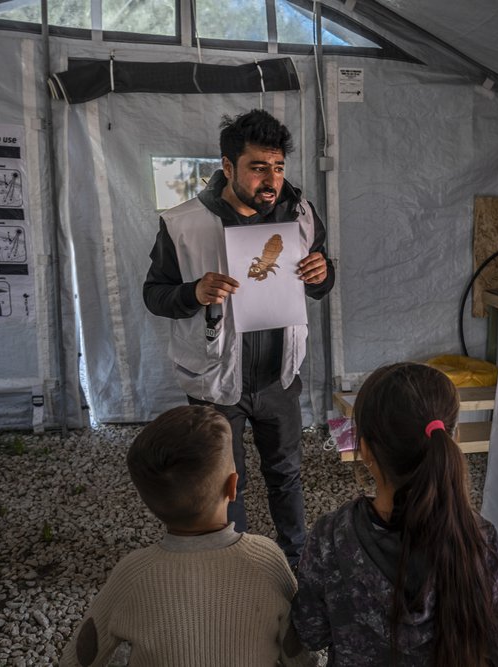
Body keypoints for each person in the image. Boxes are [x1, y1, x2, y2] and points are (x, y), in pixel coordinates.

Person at [143, 109, 334, 567]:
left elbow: (321, 283)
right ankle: (237, 566)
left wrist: (321, 274)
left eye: (278, 167)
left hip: (279, 377)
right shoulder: (183, 223)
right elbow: (155, 294)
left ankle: (296, 561)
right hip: (215, 382)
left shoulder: (302, 214)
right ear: (227, 167)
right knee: (228, 480)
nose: (271, 180)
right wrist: (193, 292)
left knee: (286, 474)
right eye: (258, 167)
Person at [291, 362, 498, 666]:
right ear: (454, 436)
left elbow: (310, 632)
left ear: (366, 450)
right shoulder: (478, 541)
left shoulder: (331, 537)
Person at [60, 405, 315, 667]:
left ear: (147, 501)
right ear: (232, 486)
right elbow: (297, 653)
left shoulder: (132, 573)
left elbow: (78, 658)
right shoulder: (267, 558)